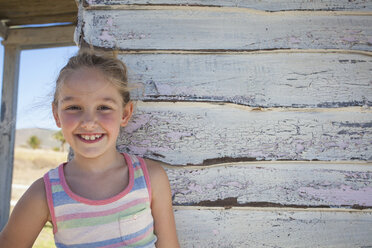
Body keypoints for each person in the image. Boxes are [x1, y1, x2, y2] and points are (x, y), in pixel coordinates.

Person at [0, 50, 180, 248]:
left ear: (125, 114)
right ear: (56, 114)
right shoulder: (44, 193)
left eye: (103, 107)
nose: (88, 122)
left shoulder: (150, 179)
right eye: (73, 107)